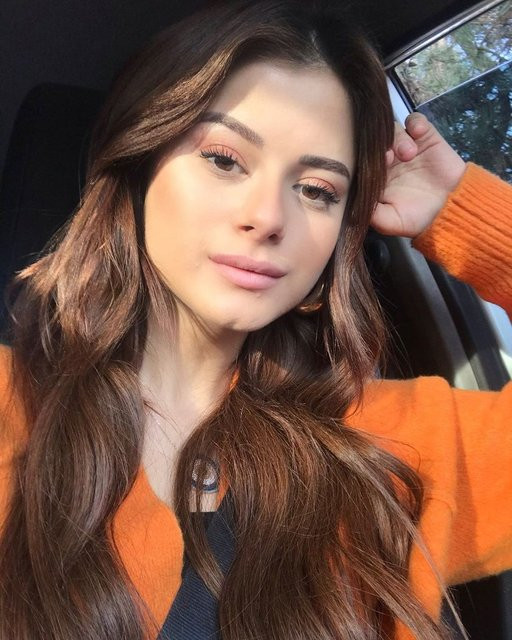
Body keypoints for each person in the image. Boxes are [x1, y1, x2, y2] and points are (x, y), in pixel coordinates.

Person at [0, 1, 511, 639]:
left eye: (317, 190)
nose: (268, 217)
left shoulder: (387, 443)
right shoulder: (14, 405)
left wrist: (457, 206)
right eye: (224, 159)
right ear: (141, 164)